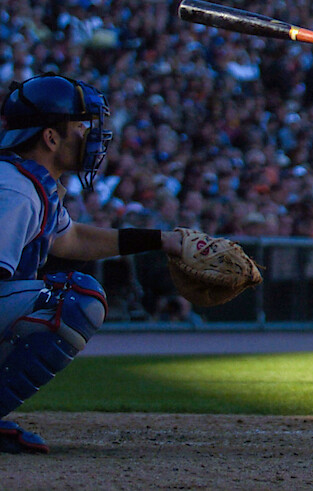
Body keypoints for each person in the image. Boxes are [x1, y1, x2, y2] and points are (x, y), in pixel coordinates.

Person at [0, 74, 185, 453]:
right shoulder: (15, 191)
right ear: (51, 138)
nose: (91, 134)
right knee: (75, 299)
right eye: (81, 125)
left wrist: (161, 240)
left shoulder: (28, 182)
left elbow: (74, 239)